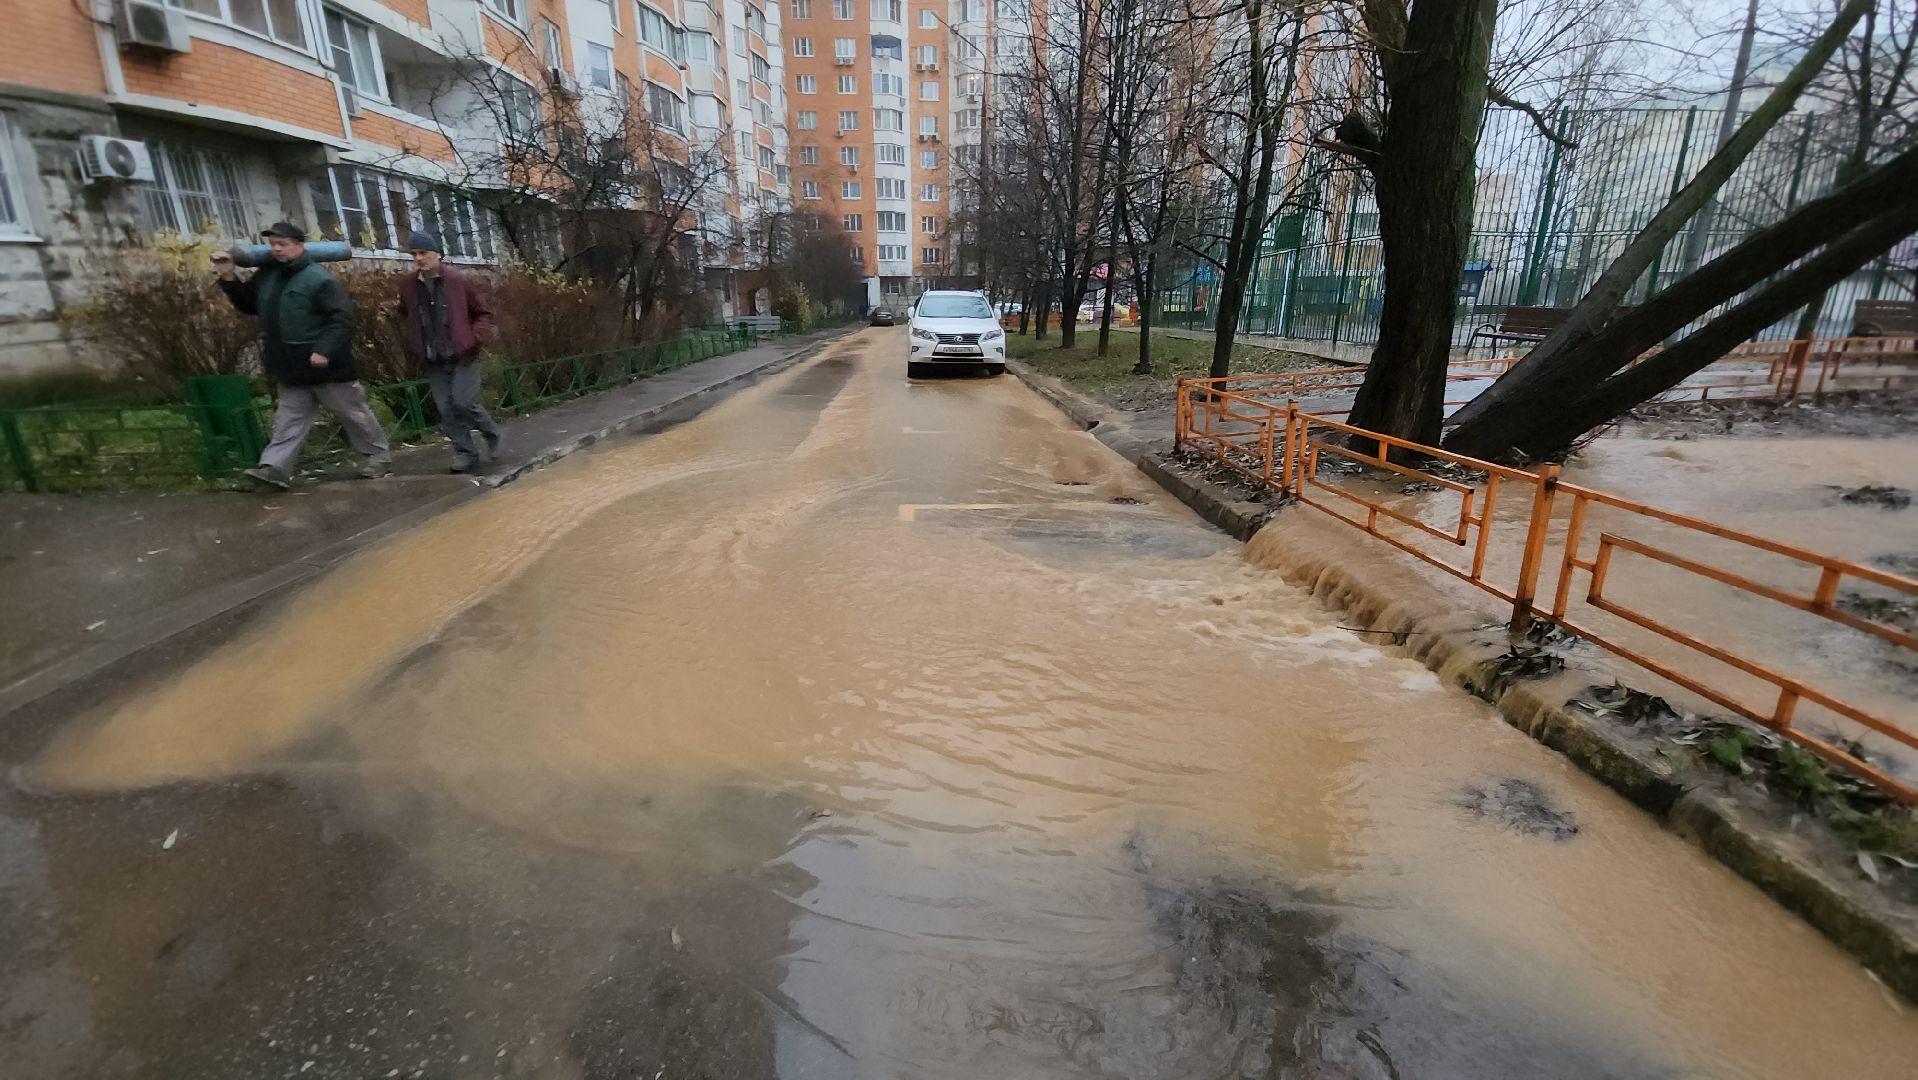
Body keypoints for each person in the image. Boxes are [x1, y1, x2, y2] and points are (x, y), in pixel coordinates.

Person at [213, 222, 391, 490]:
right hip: (289, 365)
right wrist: (228, 277)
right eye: (272, 244)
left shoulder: (319, 279)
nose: (276, 249)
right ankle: (274, 469)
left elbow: (341, 319)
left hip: (326, 366)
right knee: (288, 420)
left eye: (282, 244)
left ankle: (377, 456)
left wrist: (324, 350)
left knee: (352, 413)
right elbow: (249, 304)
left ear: (299, 245)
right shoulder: (267, 274)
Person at [396, 230, 501, 473]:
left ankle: (492, 433)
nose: (419, 259)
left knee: (464, 402)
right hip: (433, 357)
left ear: (438, 254)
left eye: (424, 253)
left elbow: (483, 313)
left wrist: (475, 338)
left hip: (464, 354)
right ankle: (466, 454)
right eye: (414, 254)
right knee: (447, 409)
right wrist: (413, 339)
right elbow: (404, 313)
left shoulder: (458, 281)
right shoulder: (409, 286)